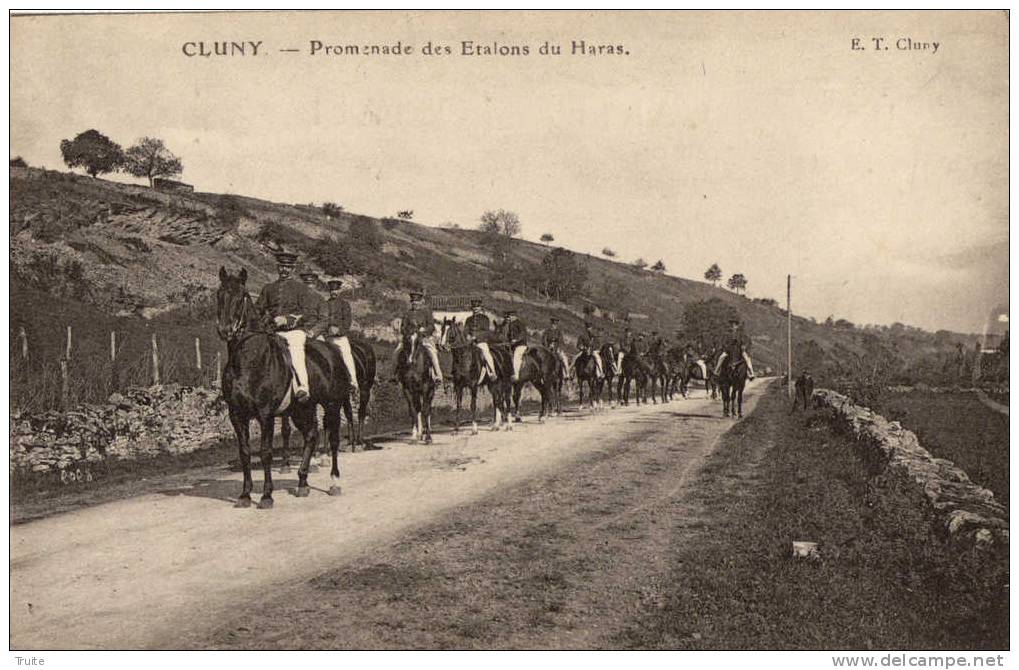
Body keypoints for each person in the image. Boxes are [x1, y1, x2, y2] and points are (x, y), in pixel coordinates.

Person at [254, 252, 322, 402]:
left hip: (293, 332)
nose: (284, 269)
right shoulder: (268, 288)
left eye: (288, 267)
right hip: (271, 332)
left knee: (296, 351)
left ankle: (303, 387)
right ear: (278, 267)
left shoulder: (301, 289)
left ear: (293, 269)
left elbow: (308, 313)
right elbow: (258, 310)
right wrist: (266, 320)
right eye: (281, 266)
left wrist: (287, 319)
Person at [308, 278, 359, 399]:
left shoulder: (344, 304)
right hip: (325, 336)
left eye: (336, 290)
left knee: (346, 355)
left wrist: (339, 330)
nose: (334, 292)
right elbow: (321, 320)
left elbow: (347, 322)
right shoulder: (324, 304)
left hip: (338, 338)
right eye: (332, 290)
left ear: (340, 290)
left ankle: (353, 382)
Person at [394, 290, 442, 382]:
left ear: (421, 302)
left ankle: (437, 375)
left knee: (432, 353)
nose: (415, 304)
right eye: (413, 302)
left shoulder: (426, 313)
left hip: (424, 339)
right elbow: (403, 327)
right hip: (409, 338)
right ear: (411, 302)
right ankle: (393, 375)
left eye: (417, 302)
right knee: (397, 352)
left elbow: (431, 326)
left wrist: (424, 330)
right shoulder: (407, 314)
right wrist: (409, 332)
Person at [464, 298, 497, 384]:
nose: (475, 309)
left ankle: (492, 372)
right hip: (469, 342)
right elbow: (466, 330)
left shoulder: (485, 318)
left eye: (477, 307)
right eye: (474, 307)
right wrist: (467, 335)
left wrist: (476, 337)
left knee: (486, 354)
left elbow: (486, 331)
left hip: (481, 342)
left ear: (480, 308)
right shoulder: (468, 319)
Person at [503, 309, 529, 382]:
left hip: (521, 345)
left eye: (511, 316)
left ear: (515, 316)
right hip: (512, 345)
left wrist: (516, 340)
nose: (510, 318)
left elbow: (523, 334)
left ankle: (516, 375)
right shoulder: (510, 325)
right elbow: (509, 336)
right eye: (509, 316)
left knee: (516, 356)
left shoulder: (519, 323)